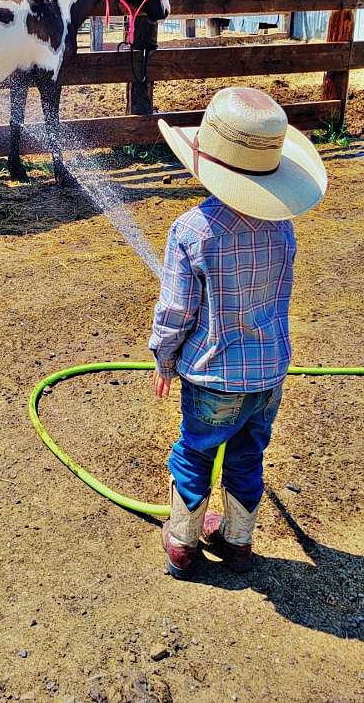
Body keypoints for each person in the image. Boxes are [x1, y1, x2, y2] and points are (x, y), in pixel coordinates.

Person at [149, 86, 327, 579]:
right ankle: (238, 541)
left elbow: (176, 311)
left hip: (212, 376)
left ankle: (183, 543)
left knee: (194, 451)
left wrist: (163, 358)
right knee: (248, 455)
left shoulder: (191, 231)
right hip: (268, 375)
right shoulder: (283, 227)